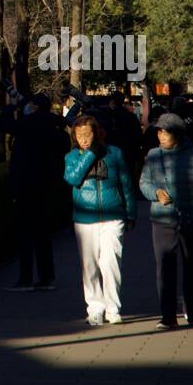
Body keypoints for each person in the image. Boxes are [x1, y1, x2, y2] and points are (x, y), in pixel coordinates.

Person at [140, 112, 193, 330]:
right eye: (159, 132)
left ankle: (192, 312)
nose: (161, 136)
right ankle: (167, 316)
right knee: (165, 268)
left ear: (178, 134)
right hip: (162, 219)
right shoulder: (153, 155)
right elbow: (143, 182)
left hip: (191, 218)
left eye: (166, 132)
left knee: (192, 267)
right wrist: (155, 192)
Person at [64, 114, 137, 326]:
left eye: (88, 134)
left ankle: (113, 308)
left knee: (110, 262)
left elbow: (126, 184)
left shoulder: (114, 153)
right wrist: (89, 154)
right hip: (84, 219)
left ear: (97, 133)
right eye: (79, 135)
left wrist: (131, 212)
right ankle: (95, 308)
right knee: (90, 265)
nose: (84, 139)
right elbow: (72, 178)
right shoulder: (72, 157)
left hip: (113, 216)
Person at [1, 90, 69, 292]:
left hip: (24, 188)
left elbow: (3, 122)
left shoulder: (26, 125)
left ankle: (25, 278)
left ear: (34, 107)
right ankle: (47, 277)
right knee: (43, 234)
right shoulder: (57, 129)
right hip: (49, 187)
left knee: (25, 235)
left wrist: (13, 105)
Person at [106, 90, 143, 182]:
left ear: (112, 101)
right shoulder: (131, 117)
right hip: (129, 154)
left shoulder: (107, 116)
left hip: (110, 154)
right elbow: (138, 137)